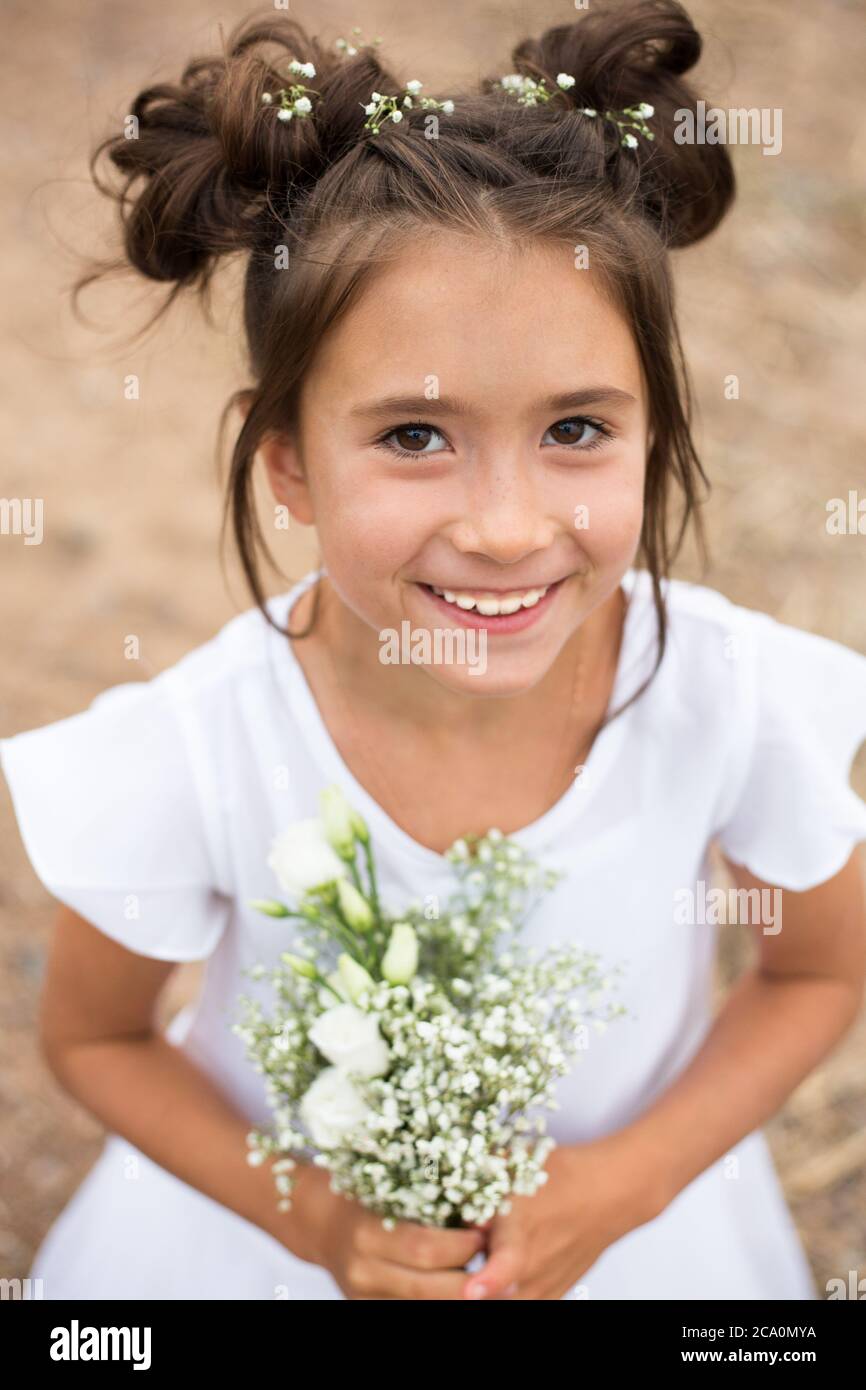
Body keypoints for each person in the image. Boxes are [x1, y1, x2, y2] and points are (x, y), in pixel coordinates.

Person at [3, 2, 865, 1301]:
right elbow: (98, 1036)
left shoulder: (727, 699)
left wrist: (625, 1183)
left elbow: (818, 966)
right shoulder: (201, 747)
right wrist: (316, 1225)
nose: (507, 527)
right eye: (414, 435)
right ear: (284, 458)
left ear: (655, 428)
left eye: (576, 427)